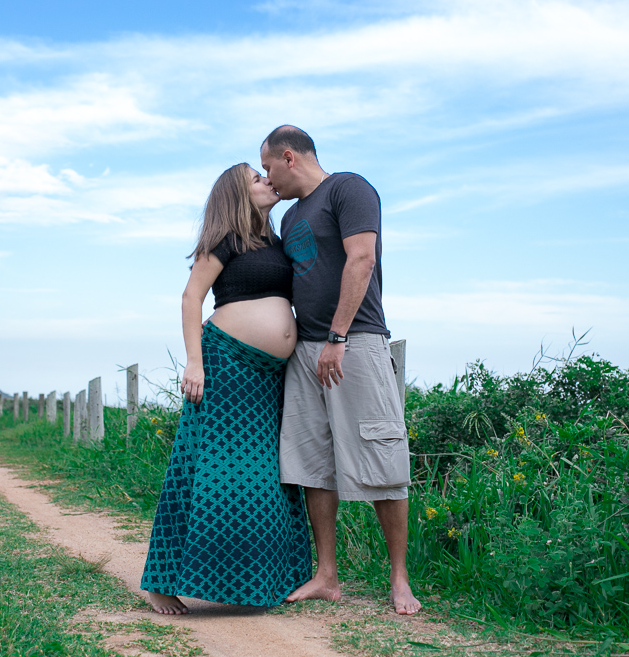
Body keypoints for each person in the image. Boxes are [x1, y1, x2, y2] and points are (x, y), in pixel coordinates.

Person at [259, 125, 421, 615]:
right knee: (313, 465)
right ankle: (326, 575)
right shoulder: (289, 218)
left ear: (289, 156)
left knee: (381, 458)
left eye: (268, 167)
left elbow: (362, 258)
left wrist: (338, 337)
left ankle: (399, 580)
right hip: (306, 353)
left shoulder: (349, 188)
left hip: (353, 344)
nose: (268, 178)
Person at [140, 162, 313, 615]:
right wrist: (194, 364)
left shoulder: (276, 241)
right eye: (257, 178)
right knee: (209, 472)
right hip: (226, 364)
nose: (267, 181)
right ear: (238, 193)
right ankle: (162, 582)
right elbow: (191, 297)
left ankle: (264, 579)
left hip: (269, 375)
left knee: (267, 478)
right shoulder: (224, 240)